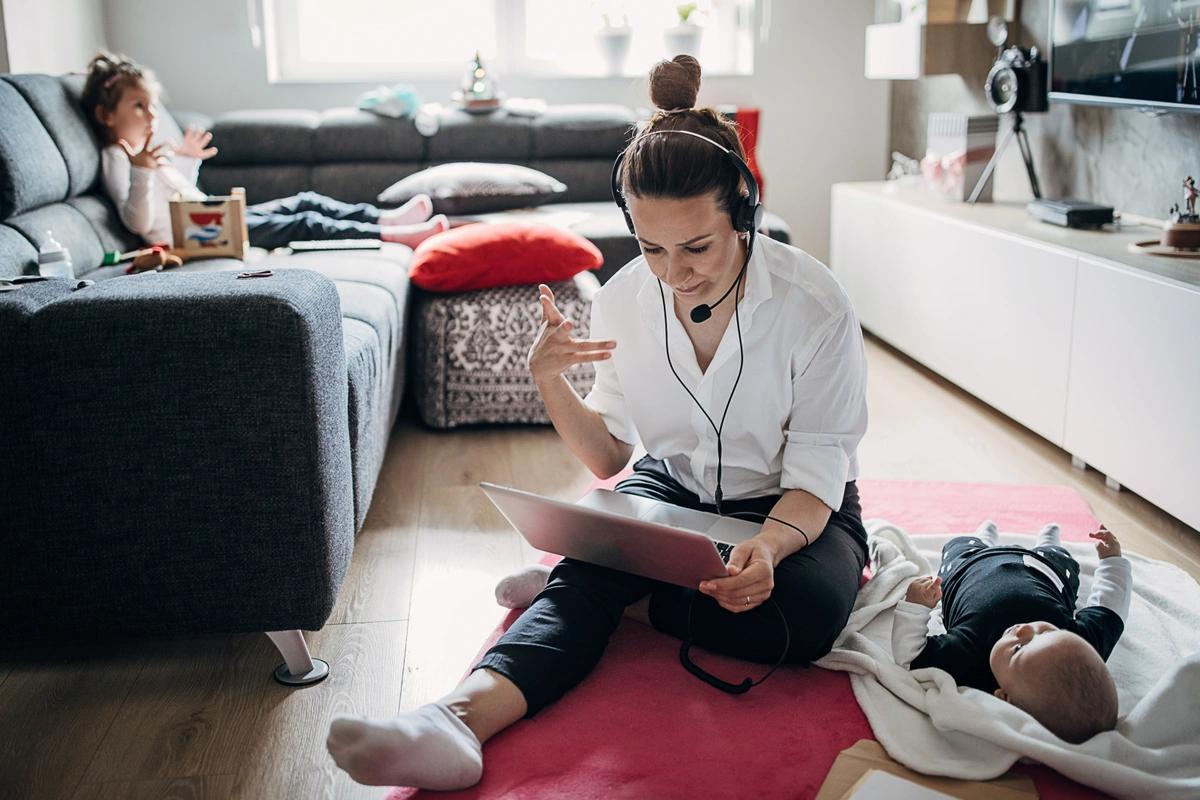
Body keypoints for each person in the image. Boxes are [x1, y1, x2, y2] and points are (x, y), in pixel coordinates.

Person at [325, 54, 870, 790]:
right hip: (672, 488)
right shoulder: (623, 298)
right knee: (600, 553)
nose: (674, 274)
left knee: (808, 616)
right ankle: (454, 718)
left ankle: (600, 588)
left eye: (697, 247)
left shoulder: (816, 304)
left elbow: (815, 473)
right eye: (652, 248)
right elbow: (611, 456)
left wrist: (770, 549)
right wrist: (550, 382)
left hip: (792, 505)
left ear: (743, 209)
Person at [81, 52, 447, 252]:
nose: (152, 116)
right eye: (139, 106)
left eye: (153, 106)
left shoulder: (145, 154)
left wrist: (186, 160)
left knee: (306, 201)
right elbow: (140, 223)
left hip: (209, 217)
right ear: (106, 114)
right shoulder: (117, 159)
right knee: (304, 224)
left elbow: (182, 196)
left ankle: (384, 219)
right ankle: (392, 237)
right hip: (198, 237)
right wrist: (142, 171)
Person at [891, 522, 1132, 744]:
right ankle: (1050, 540)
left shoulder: (968, 660)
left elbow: (910, 656)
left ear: (1004, 697)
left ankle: (984, 537)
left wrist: (915, 605)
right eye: (1046, 633)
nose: (1026, 628)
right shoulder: (1080, 645)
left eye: (1018, 649)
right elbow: (1111, 607)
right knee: (1061, 557)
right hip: (1044, 567)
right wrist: (1113, 561)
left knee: (957, 545)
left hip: (968, 566)